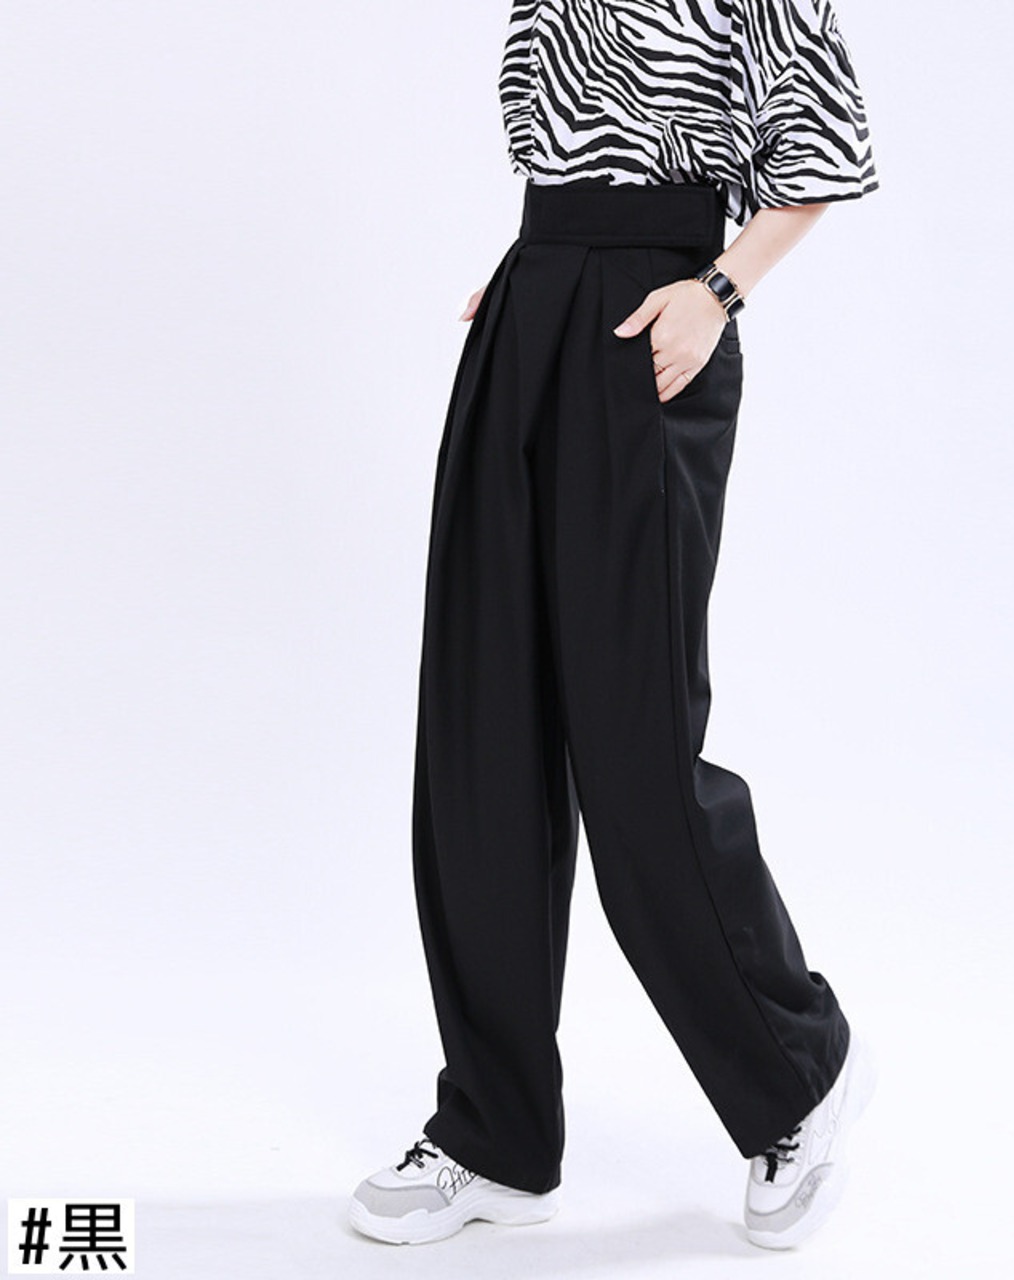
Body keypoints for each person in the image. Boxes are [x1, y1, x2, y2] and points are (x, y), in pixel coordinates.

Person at [350, 0, 881, 1251]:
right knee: (481, 729)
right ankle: (495, 1131)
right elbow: (570, 145)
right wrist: (531, 280)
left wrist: (717, 288)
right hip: (531, 300)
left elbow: (824, 141)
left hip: (656, 319)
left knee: (635, 751)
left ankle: (794, 1076)